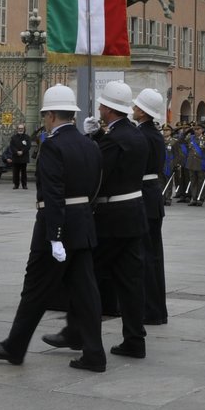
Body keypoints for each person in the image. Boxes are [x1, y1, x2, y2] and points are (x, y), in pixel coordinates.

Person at [0, 85, 107, 372]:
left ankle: (15, 346)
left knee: (35, 289)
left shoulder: (53, 145)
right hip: (83, 225)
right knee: (86, 295)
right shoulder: (90, 144)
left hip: (56, 227)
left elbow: (52, 193)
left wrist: (55, 236)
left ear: (50, 115)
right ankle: (94, 354)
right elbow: (97, 186)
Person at [47, 81, 148, 359]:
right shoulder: (136, 135)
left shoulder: (113, 140)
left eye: (103, 105)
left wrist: (93, 141)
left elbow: (97, 173)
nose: (100, 109)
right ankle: (135, 339)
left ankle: (75, 332)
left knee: (83, 278)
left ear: (110, 109)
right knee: (129, 283)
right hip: (133, 214)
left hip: (111, 218)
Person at [132, 89, 169, 326]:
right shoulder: (152, 134)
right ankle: (155, 309)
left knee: (148, 256)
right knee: (152, 255)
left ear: (143, 112)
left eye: (136, 107)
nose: (133, 110)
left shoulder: (143, 135)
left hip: (145, 196)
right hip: (153, 194)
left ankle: (152, 310)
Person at [8, 122, 32, 190]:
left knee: (24, 172)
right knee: (15, 172)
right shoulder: (13, 137)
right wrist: (16, 151)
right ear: (17, 129)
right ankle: (16, 184)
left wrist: (22, 151)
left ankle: (24, 185)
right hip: (16, 157)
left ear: (24, 129)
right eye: (19, 128)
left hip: (24, 157)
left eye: (22, 128)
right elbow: (12, 146)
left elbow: (28, 146)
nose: (20, 129)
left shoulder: (27, 137)